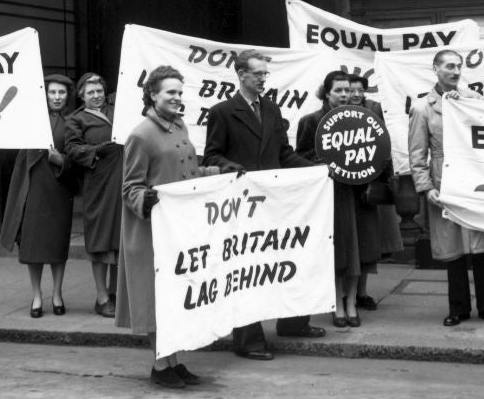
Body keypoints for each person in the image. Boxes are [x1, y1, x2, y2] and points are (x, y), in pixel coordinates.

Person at [202, 49, 325, 361]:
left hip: (275, 201)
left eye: (265, 74)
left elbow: (284, 153)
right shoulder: (222, 112)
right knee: (247, 270)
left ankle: (293, 322)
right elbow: (212, 155)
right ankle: (249, 341)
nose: (262, 79)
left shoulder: (272, 109)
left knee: (285, 260)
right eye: (257, 74)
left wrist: (316, 171)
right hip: (242, 203)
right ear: (241, 74)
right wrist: (233, 168)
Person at [114, 65, 219, 389]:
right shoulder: (141, 134)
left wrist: (219, 170)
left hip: (178, 231)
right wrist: (150, 201)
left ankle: (173, 361)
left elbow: (186, 172)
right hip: (150, 233)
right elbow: (130, 187)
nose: (177, 97)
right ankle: (160, 366)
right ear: (153, 95)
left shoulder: (179, 126)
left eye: (179, 91)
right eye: (170, 92)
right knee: (156, 300)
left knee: (174, 299)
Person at [407, 50, 484, 327]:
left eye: (459, 66)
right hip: (445, 180)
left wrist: (464, 100)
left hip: (476, 179)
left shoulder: (472, 99)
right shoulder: (422, 108)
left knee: (483, 246)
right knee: (452, 249)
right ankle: (458, 308)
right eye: (450, 66)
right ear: (436, 69)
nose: (456, 71)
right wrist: (426, 187)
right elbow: (417, 155)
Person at [0, 74, 78, 318]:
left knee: (56, 243)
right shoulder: (31, 119)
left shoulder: (74, 122)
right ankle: (36, 295)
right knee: (32, 244)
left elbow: (78, 157)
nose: (57, 97)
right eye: (52, 92)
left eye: (61, 93)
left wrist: (61, 159)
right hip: (33, 187)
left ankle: (56, 293)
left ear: (68, 95)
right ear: (45, 95)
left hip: (59, 188)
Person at [296, 70, 367, 327]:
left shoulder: (361, 119)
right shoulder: (310, 121)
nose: (345, 95)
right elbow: (300, 156)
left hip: (354, 192)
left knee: (355, 249)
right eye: (339, 90)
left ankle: (351, 303)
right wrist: (327, 164)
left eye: (348, 90)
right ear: (327, 93)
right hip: (327, 195)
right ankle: (337, 302)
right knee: (335, 250)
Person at [65, 72, 122, 318]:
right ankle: (101, 298)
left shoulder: (118, 110)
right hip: (97, 185)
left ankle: (116, 293)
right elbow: (72, 148)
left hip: (121, 181)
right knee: (100, 242)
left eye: (99, 91)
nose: (96, 96)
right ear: (81, 95)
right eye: (91, 92)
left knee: (120, 241)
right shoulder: (75, 120)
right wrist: (95, 150)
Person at [347, 74, 403, 305]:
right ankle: (344, 295)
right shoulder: (335, 113)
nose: (357, 95)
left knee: (368, 244)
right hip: (345, 185)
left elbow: (384, 144)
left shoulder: (374, 109)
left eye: (361, 90)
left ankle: (361, 292)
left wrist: (386, 176)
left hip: (369, 183)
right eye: (352, 90)